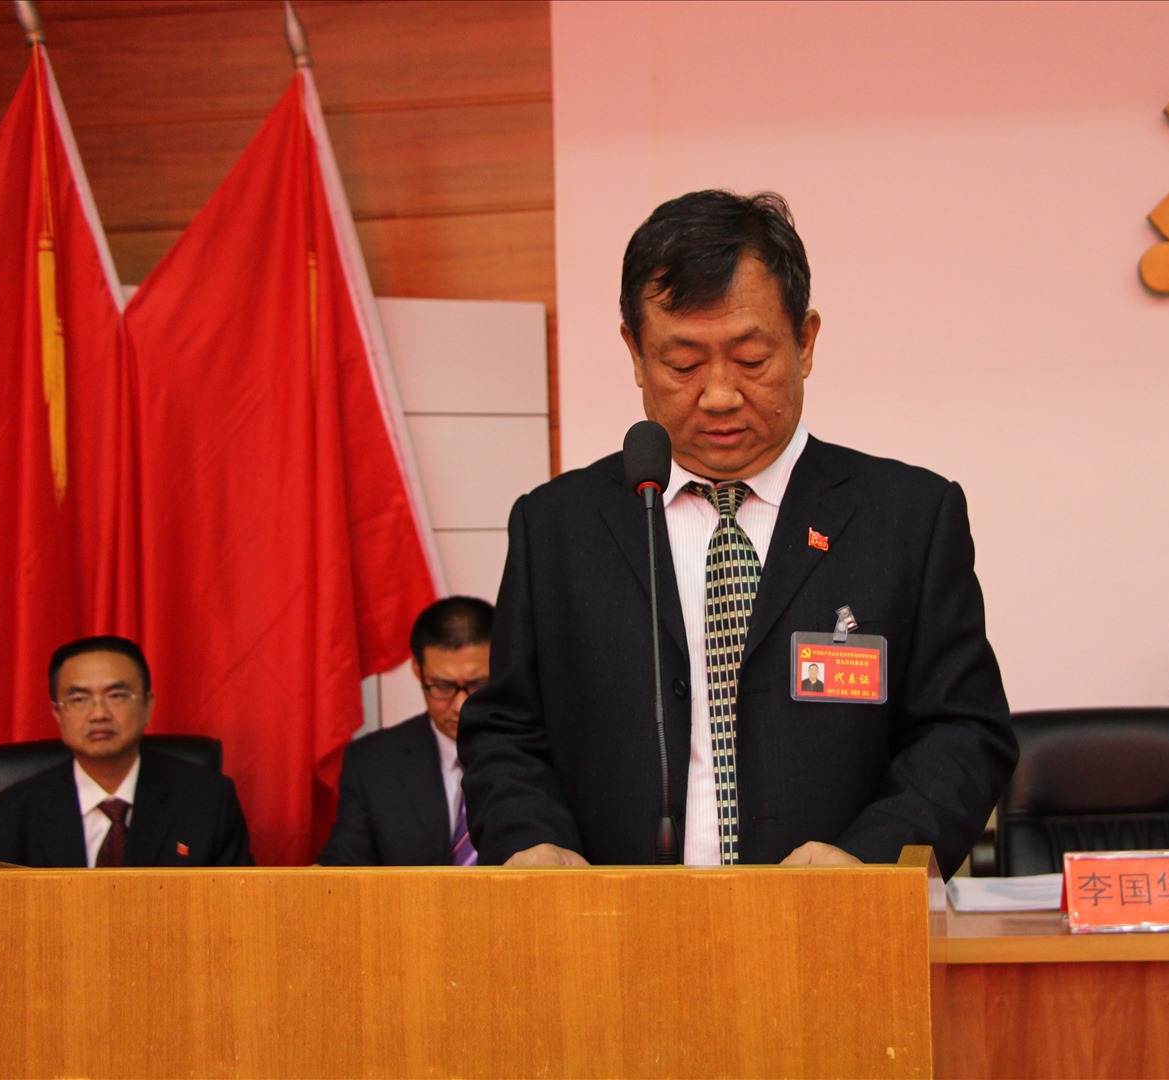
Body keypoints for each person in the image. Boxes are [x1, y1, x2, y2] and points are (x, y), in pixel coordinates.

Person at [459, 190, 1015, 875]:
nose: (720, 395)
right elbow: (506, 733)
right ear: (635, 353)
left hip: (830, 922)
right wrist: (532, 840)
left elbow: (963, 732)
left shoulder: (907, 518)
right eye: (683, 365)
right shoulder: (557, 527)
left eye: (751, 359)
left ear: (805, 341)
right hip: (609, 923)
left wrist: (867, 861)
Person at [0, 635, 254, 867]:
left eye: (116, 695)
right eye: (79, 699)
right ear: (58, 714)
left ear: (147, 705)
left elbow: (235, 908)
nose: (99, 714)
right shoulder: (4, 820)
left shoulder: (207, 802)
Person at [318, 596, 493, 866]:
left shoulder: (541, 752)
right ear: (418, 672)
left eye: (477, 685)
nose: (461, 705)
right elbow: (345, 868)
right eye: (443, 687)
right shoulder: (372, 764)